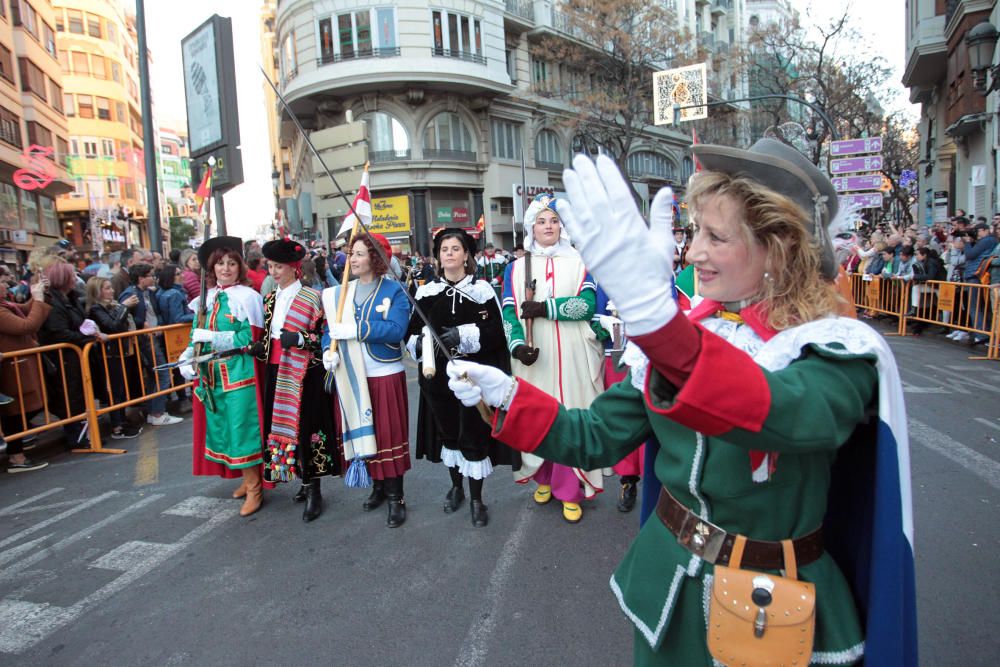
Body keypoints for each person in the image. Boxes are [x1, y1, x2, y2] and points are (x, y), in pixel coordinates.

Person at [448, 146, 917, 665]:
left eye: (715, 237)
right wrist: (507, 395)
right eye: (694, 233)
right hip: (667, 588)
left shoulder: (835, 346)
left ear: (779, 249)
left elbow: (782, 413)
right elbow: (595, 435)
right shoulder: (690, 334)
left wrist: (659, 324)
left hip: (775, 612)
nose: (692, 254)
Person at [500, 193, 605, 523]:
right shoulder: (516, 269)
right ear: (532, 226)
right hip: (535, 357)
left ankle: (569, 488)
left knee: (570, 414)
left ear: (563, 226)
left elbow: (587, 306)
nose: (549, 226)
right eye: (542, 221)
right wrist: (517, 346)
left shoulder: (579, 263)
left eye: (554, 221)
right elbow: (508, 313)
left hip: (573, 353)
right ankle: (544, 477)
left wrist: (545, 308)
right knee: (539, 415)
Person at [406, 228, 516, 527]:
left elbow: (496, 333)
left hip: (473, 379)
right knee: (449, 434)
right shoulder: (426, 293)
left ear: (466, 254)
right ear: (438, 257)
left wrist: (463, 336)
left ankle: (477, 498)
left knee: (474, 435)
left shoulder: (482, 291)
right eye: (444, 250)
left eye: (456, 248)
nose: (450, 254)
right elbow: (411, 333)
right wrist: (423, 339)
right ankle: (456, 487)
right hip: (437, 379)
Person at [322, 232, 411, 527]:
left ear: (374, 258)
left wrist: (357, 329)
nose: (353, 259)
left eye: (359, 253)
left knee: (388, 434)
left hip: (383, 372)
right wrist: (327, 352)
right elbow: (330, 330)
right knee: (364, 432)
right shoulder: (340, 293)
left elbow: (396, 329)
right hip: (351, 375)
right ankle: (377, 487)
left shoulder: (394, 290)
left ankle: (396, 496)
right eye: (351, 253)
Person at [177, 237, 267, 517]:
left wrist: (215, 338)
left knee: (242, 431)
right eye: (220, 264)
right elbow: (196, 333)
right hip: (211, 374)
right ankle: (246, 479)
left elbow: (251, 337)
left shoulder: (248, 298)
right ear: (211, 268)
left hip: (239, 372)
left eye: (231, 263)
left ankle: (255, 487)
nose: (225, 268)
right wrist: (188, 355)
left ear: (240, 267)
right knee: (224, 430)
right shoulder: (205, 298)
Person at [254, 239, 337, 522]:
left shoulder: (314, 297)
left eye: (279, 266)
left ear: (294, 268)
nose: (274, 272)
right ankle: (300, 478)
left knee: (307, 428)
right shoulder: (269, 300)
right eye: (270, 266)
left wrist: (302, 339)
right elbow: (267, 338)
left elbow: (326, 335)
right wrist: (258, 347)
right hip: (277, 370)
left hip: (305, 373)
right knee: (283, 428)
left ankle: (315, 488)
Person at [38, 261, 105, 448]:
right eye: (72, 275)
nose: (76, 278)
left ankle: (86, 434)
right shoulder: (53, 302)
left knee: (81, 395)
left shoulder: (71, 298)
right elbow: (59, 332)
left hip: (76, 356)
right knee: (70, 397)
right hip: (65, 359)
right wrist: (87, 337)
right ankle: (77, 436)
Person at [119, 264, 183, 427]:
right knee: (162, 372)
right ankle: (157, 412)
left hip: (154, 337)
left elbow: (156, 313)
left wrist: (158, 326)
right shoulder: (130, 294)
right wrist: (141, 323)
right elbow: (123, 317)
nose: (153, 278)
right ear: (141, 278)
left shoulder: (149, 293)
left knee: (155, 375)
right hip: (144, 339)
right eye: (150, 275)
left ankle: (154, 410)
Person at [0, 270, 51, 471]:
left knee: (25, 407)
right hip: (13, 366)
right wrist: (37, 299)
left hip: (20, 363)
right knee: (16, 410)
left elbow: (24, 310)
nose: (6, 285)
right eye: (2, 282)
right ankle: (16, 455)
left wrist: (38, 292)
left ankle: (19, 443)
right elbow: (27, 325)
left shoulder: (6, 305)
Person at [85, 277, 143, 440]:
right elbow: (113, 326)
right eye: (107, 288)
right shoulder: (96, 309)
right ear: (97, 291)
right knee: (115, 391)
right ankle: (117, 426)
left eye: (111, 287)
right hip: (109, 355)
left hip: (120, 352)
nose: (111, 291)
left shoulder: (113, 306)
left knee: (121, 389)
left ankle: (122, 421)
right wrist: (125, 306)